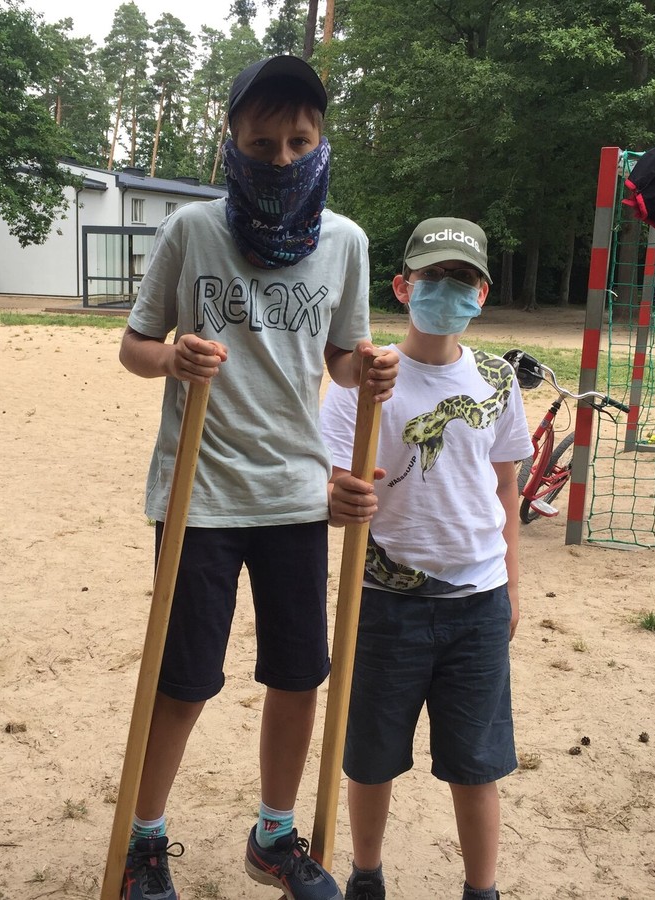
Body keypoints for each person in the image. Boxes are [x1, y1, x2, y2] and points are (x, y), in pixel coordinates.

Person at [117, 55, 399, 900]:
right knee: (183, 680)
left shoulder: (345, 242)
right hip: (199, 493)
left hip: (294, 496)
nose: (281, 158)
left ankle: (275, 836)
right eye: (262, 141)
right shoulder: (191, 231)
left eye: (299, 142)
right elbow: (135, 346)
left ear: (320, 142)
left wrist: (367, 368)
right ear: (233, 140)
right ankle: (143, 840)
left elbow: (341, 358)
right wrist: (172, 357)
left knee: (299, 674)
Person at [319, 217, 532, 900]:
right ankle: (367, 874)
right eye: (433, 276)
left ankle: (481, 889)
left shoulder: (498, 379)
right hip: (384, 602)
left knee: (477, 764)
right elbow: (330, 482)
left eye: (462, 279)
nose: (447, 290)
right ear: (402, 286)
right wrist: (338, 497)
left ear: (482, 294)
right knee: (371, 757)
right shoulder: (365, 378)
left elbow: (505, 488)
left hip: (478, 602)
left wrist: (512, 588)